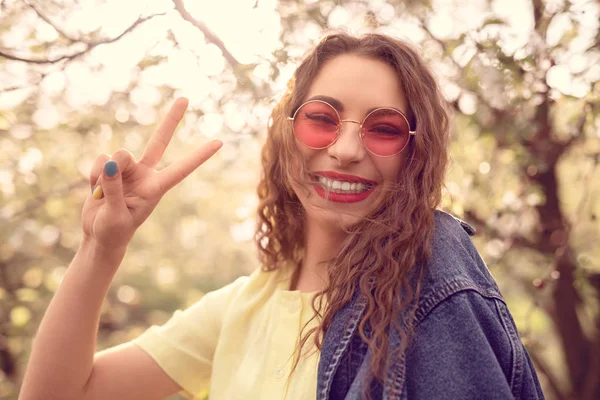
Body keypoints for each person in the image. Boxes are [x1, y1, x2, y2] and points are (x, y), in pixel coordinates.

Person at [18, 33, 545, 400]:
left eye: (382, 129)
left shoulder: (432, 275)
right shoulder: (241, 308)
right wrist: (100, 248)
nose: (344, 149)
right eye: (322, 119)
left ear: (415, 153)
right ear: (286, 133)